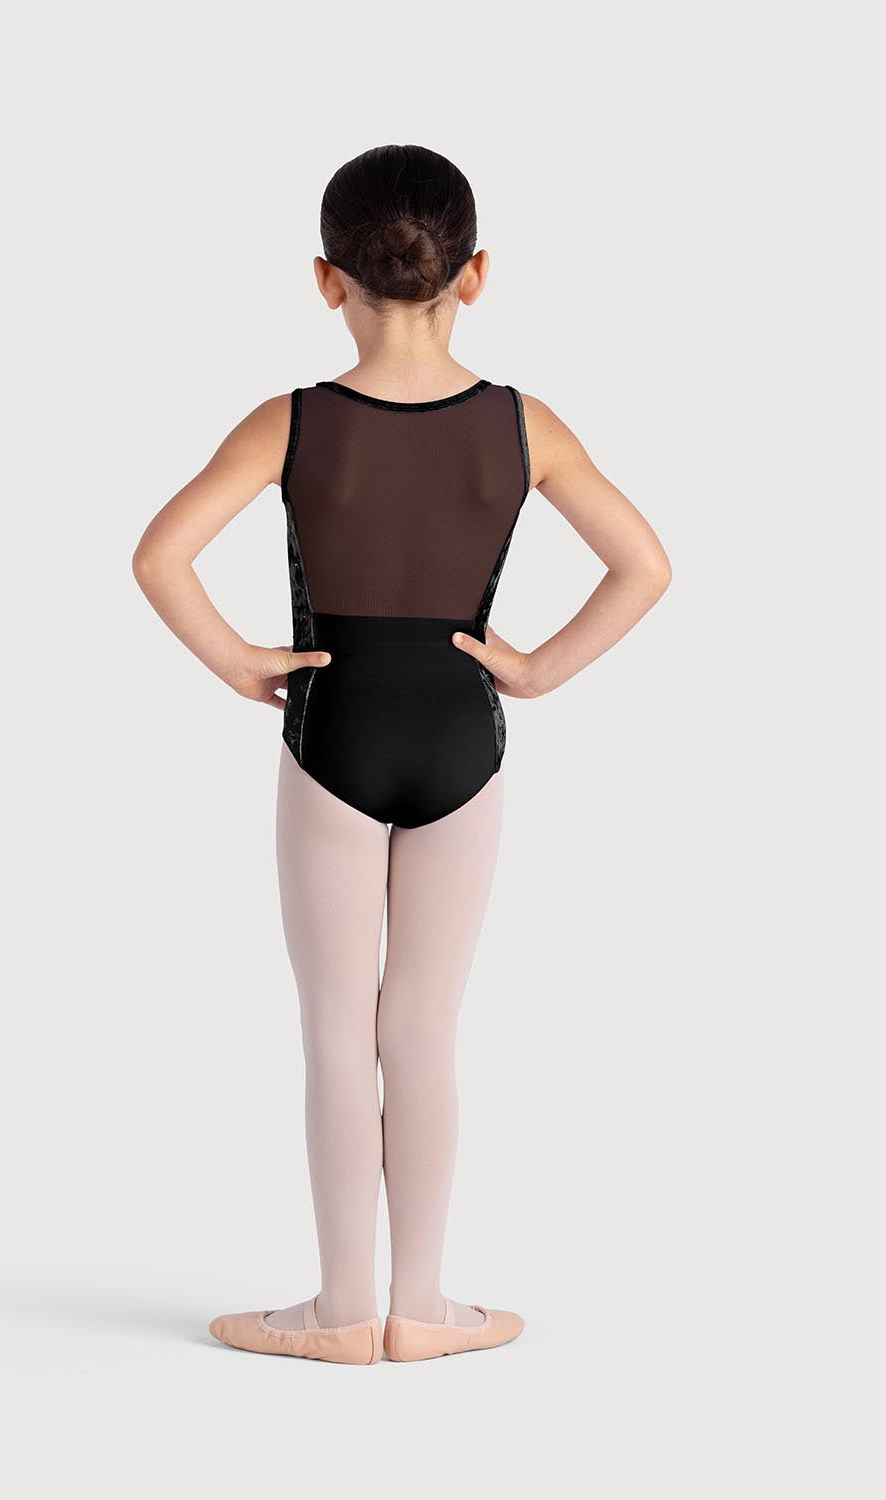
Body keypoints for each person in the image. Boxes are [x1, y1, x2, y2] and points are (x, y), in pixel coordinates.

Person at [132, 143, 672, 1365]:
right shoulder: (524, 425)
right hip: (461, 737)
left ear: (328, 279)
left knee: (337, 1024)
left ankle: (338, 1313)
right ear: (474, 274)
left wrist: (239, 662)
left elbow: (160, 555)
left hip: (333, 731)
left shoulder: (292, 421)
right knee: (423, 1025)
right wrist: (535, 670)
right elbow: (644, 565)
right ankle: (421, 1310)